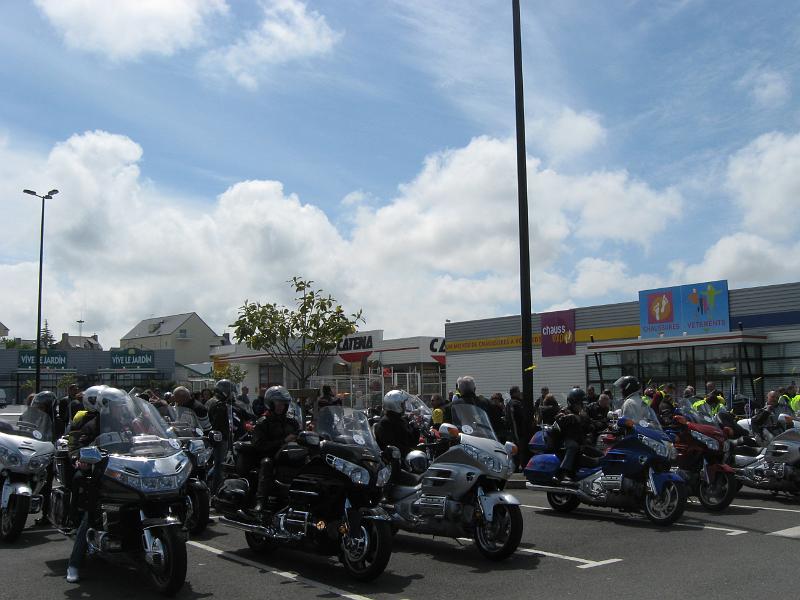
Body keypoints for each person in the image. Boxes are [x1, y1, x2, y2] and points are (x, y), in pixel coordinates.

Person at [65, 385, 125, 584]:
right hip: (101, 471)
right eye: (116, 405)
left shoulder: (127, 424)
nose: (120, 408)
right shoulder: (93, 424)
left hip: (123, 470)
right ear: (105, 406)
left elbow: (140, 439)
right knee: (91, 514)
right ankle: (74, 563)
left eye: (121, 405)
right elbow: (78, 445)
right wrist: (80, 458)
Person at [251, 386, 300, 512]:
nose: (281, 406)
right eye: (278, 403)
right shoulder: (263, 422)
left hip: (289, 455)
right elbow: (259, 445)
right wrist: (283, 441)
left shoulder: (292, 422)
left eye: (283, 403)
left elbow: (299, 434)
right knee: (266, 463)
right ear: (270, 403)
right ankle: (261, 501)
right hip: (271, 455)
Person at [206, 379, 241, 493]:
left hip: (220, 437)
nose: (232, 395)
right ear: (224, 392)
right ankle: (216, 490)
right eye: (231, 392)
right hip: (220, 439)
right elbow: (217, 423)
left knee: (220, 463)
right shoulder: (218, 404)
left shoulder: (217, 402)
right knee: (220, 465)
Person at [553, 388, 592, 481]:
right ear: (572, 402)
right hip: (566, 439)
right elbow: (559, 419)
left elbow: (589, 425)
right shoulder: (564, 411)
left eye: (582, 403)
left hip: (580, 440)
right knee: (573, 446)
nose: (582, 405)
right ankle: (563, 472)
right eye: (580, 403)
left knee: (596, 451)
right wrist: (568, 417)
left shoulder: (582, 413)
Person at [374, 390, 419, 458]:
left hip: (406, 457)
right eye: (403, 404)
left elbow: (411, 440)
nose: (405, 407)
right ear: (396, 405)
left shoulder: (398, 419)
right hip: (397, 461)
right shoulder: (386, 423)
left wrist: (415, 428)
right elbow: (398, 446)